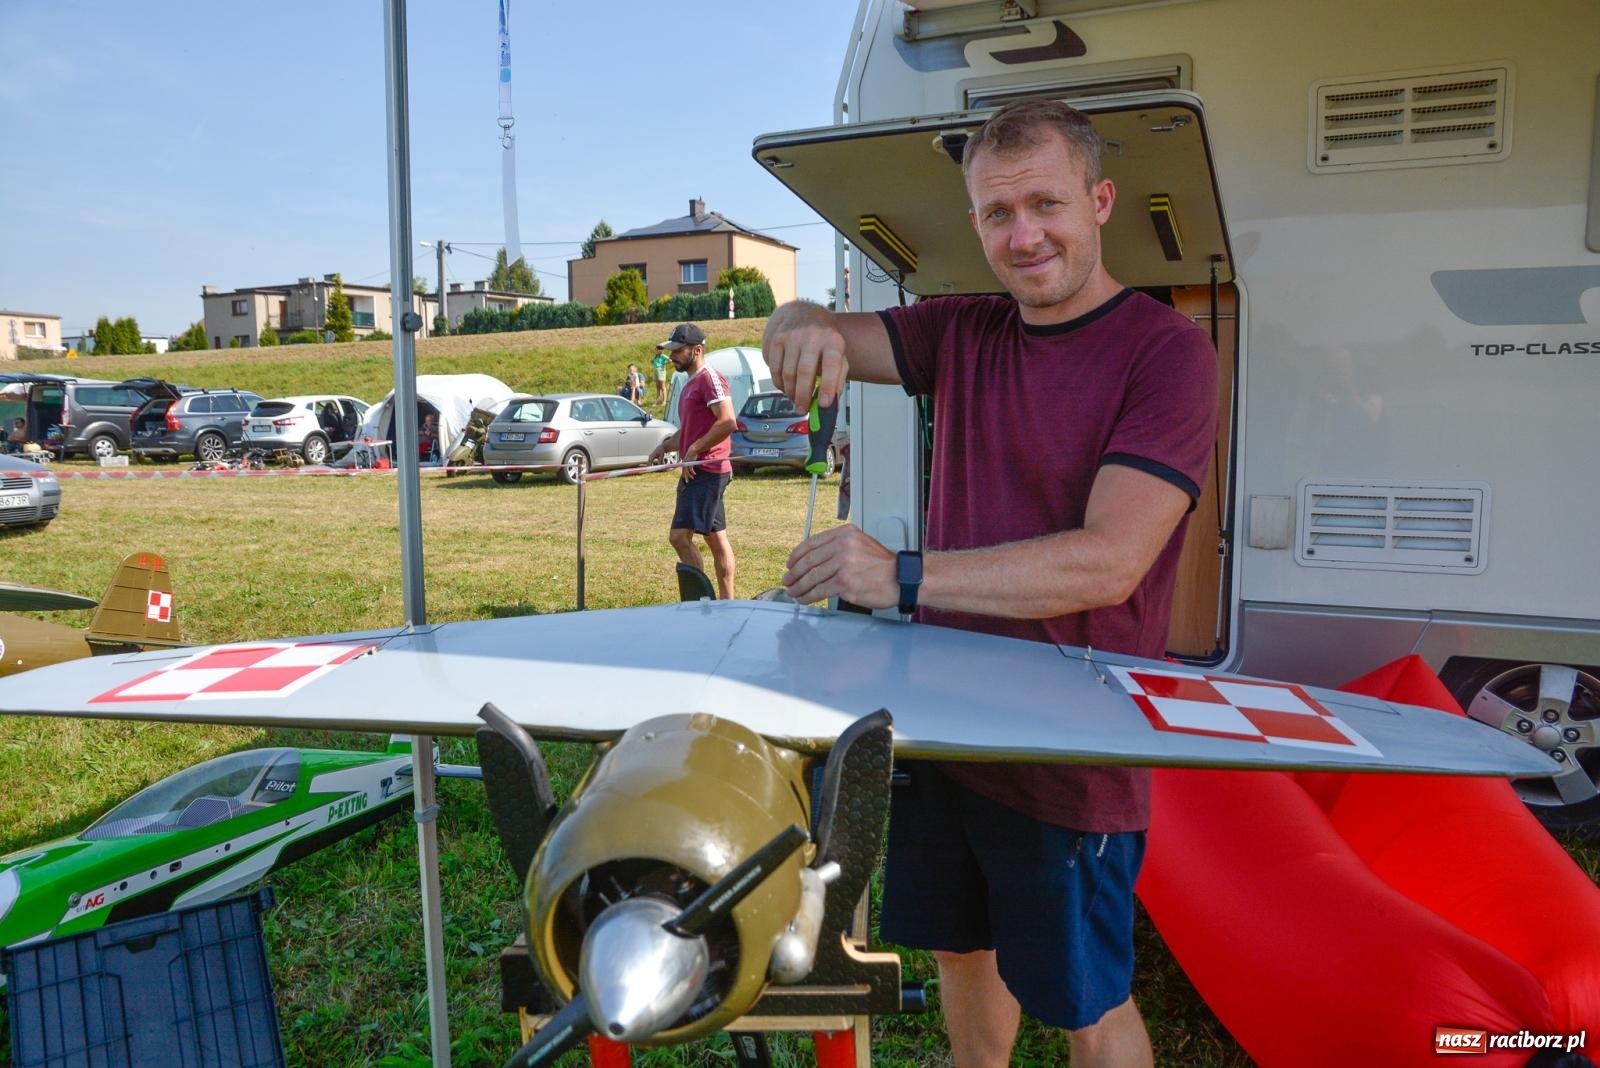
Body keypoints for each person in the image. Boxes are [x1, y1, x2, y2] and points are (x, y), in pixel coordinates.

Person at [763, 99, 1218, 1068]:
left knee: (1086, 1003)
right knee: (964, 959)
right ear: (972, 222)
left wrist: (900, 576)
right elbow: (827, 329)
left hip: (1067, 754)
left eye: (1045, 205)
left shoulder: (1166, 354)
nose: (1024, 236)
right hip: (941, 736)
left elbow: (1110, 559)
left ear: (1099, 202)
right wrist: (791, 323)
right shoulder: (959, 331)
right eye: (997, 214)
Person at [647, 322, 737, 599]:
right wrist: (664, 446)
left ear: (697, 350)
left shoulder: (710, 378)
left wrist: (695, 450)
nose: (671, 356)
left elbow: (728, 421)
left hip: (706, 470)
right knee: (715, 539)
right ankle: (727, 603)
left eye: (677, 351)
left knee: (679, 537)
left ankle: (701, 602)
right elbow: (689, 431)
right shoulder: (690, 383)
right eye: (671, 350)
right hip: (698, 469)